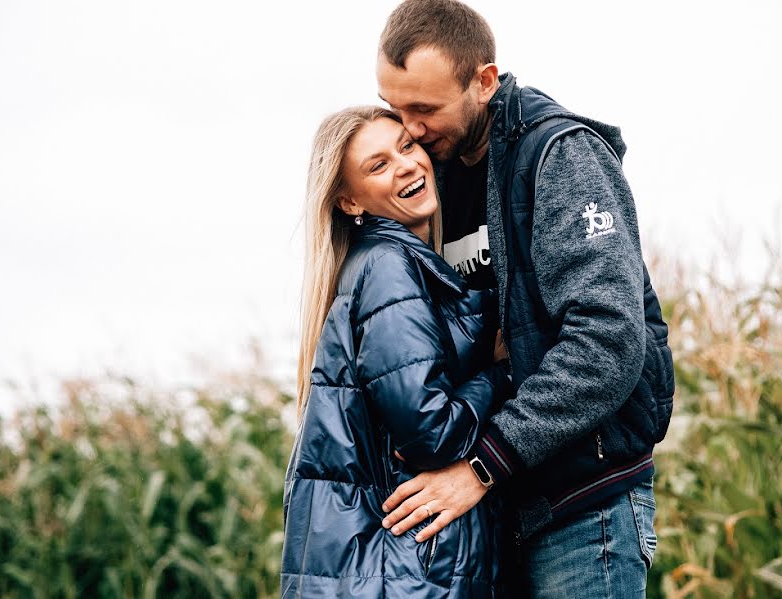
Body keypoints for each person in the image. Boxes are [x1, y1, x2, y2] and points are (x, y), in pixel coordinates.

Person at [375, 1, 676, 596]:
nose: (408, 130)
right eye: (396, 108)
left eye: (425, 109)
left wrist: (483, 465)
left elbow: (607, 344)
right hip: (500, 513)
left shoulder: (560, 158)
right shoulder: (436, 174)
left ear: (483, 81)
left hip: (585, 512)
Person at [281, 105, 512, 598]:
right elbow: (431, 434)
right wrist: (498, 373)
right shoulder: (388, 267)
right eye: (378, 165)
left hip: (399, 568)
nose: (405, 165)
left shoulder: (399, 264)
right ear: (349, 202)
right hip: (407, 570)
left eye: (406, 147)